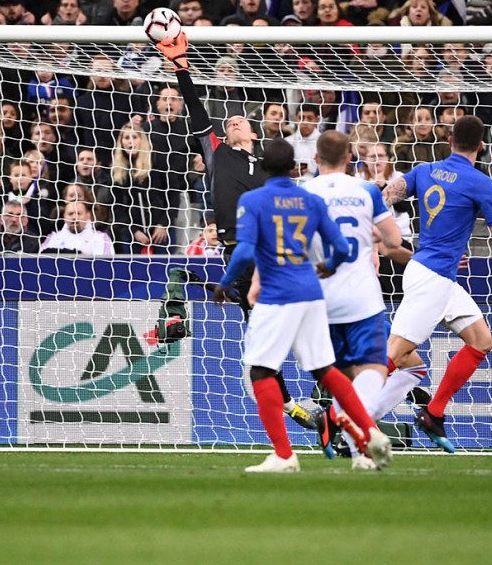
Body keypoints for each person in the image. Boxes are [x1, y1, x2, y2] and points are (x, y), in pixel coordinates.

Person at [155, 31, 315, 431]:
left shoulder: (270, 170)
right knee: (261, 331)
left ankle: (324, 391)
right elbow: (196, 110)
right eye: (229, 122)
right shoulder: (217, 152)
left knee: (296, 328)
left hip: (275, 257)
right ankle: (290, 403)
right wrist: (181, 67)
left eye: (240, 120)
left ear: (255, 134)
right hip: (238, 252)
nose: (233, 122)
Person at [212, 138, 393, 473]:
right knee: (325, 370)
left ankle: (284, 455)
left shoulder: (253, 200)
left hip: (277, 294)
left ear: (264, 166)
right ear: (294, 167)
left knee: (261, 370)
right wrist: (330, 265)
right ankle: (370, 431)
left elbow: (244, 250)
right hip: (310, 292)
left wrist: (224, 284)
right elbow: (341, 247)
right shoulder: (310, 200)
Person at [378, 116, 492, 452]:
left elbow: (387, 195)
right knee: (396, 354)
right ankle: (340, 413)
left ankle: (433, 413)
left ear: (450, 140)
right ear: (482, 146)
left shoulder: (424, 170)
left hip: (439, 277)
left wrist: (370, 226)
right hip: (431, 279)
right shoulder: (481, 182)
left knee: (481, 341)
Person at [303, 131, 405, 470]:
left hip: (320, 299)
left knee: (342, 380)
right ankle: (355, 426)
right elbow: (394, 240)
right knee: (374, 370)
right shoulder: (366, 191)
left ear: (316, 159)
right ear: (350, 158)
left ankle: (360, 454)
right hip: (362, 299)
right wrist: (371, 232)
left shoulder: (303, 194)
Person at [40, 200, 114, 254]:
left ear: (88, 215)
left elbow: (104, 265)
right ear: (64, 217)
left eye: (79, 213)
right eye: (70, 214)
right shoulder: (53, 238)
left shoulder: (101, 238)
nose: (74, 217)